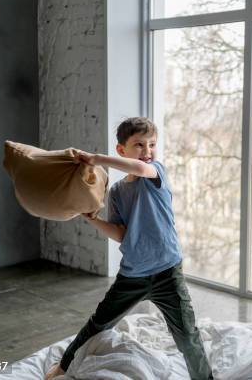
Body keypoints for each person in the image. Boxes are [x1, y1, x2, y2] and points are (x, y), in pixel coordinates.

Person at [45, 117, 213, 380]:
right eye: (139, 145)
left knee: (187, 335)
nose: (147, 152)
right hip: (132, 275)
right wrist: (94, 219)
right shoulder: (116, 191)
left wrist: (96, 158)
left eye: (152, 144)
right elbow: (121, 234)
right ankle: (63, 366)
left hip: (167, 272)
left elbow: (140, 168)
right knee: (98, 323)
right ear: (121, 149)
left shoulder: (156, 172)